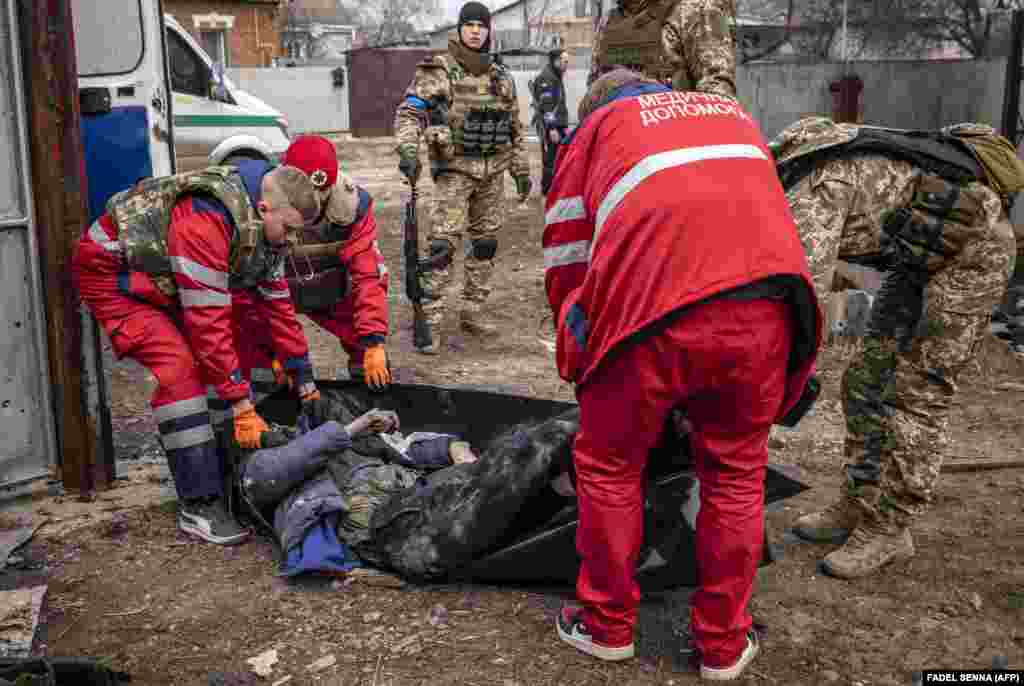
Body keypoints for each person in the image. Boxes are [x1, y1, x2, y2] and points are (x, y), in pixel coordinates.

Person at [542, 69, 821, 679]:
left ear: (595, 108)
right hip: (766, 313)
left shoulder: (593, 133)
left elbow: (567, 255)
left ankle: (606, 625)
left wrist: (579, 350)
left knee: (611, 465)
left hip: (650, 315)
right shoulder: (729, 111)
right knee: (737, 473)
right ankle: (723, 646)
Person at [772, 116, 1022, 579]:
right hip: (918, 253)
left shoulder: (812, 192)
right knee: (865, 379)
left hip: (974, 253)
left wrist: (772, 386)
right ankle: (861, 499)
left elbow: (804, 304)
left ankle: (890, 527)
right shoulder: (785, 171)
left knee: (918, 393)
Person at [73, 161, 322, 545]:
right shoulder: (205, 219)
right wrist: (240, 404)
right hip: (114, 274)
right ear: (263, 209)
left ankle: (224, 475)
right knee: (181, 369)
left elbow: (277, 304)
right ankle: (199, 503)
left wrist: (302, 374)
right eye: (288, 230)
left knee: (220, 359)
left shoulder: (267, 233)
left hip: (160, 277)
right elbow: (208, 322)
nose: (291, 241)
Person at [393, 1, 532, 353]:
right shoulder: (438, 70)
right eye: (469, 25)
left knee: (485, 246)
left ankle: (473, 311)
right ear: (459, 29)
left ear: (489, 31)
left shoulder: (500, 73)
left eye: (481, 25)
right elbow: (409, 112)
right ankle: (432, 322)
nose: (475, 31)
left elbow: (514, 126)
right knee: (442, 248)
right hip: (454, 173)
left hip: (492, 174)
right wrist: (408, 151)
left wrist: (521, 170)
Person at [231, 135, 391, 397]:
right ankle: (265, 407)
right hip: (276, 295)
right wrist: (271, 348)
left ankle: (370, 401)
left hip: (330, 291)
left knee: (366, 344)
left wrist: (373, 340)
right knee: (255, 347)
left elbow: (368, 276)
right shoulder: (257, 205)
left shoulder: (353, 208)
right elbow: (246, 286)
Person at [588, 0, 736, 99]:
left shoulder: (695, 10)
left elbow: (718, 94)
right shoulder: (608, 20)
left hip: (674, 137)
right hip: (620, 137)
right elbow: (593, 93)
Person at [531, 49, 571, 195]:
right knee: (550, 158)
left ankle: (554, 187)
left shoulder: (556, 76)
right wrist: (552, 128)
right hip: (550, 125)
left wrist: (564, 126)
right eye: (565, 61)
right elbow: (547, 105)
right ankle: (547, 190)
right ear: (556, 61)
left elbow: (559, 105)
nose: (567, 65)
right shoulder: (547, 78)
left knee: (557, 156)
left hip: (558, 124)